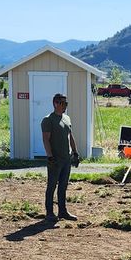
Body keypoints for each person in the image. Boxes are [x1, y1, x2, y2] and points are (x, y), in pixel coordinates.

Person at [41, 93, 80, 223]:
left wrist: (75, 152)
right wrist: (50, 156)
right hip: (55, 159)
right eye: (63, 103)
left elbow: (70, 136)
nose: (65, 106)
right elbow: (46, 139)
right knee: (52, 186)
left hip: (66, 159)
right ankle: (50, 213)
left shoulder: (67, 119)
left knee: (63, 186)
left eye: (66, 103)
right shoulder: (48, 120)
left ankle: (62, 211)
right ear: (55, 103)